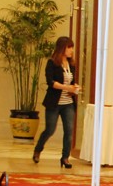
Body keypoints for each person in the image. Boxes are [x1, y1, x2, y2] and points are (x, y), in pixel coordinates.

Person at [33, 36, 79, 169]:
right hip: (54, 102)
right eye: (69, 47)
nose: (71, 50)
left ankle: (65, 158)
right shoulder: (52, 63)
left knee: (69, 131)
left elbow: (71, 82)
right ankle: (38, 149)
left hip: (68, 103)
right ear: (62, 48)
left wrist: (75, 87)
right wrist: (67, 87)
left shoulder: (71, 64)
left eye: (72, 47)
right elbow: (51, 82)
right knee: (50, 129)